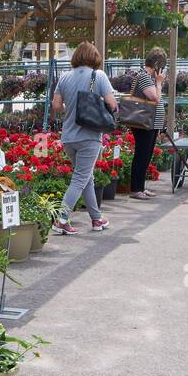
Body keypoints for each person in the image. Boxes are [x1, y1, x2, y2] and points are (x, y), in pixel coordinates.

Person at [49, 41, 118, 235]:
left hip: (69, 136)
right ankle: (61, 219)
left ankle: (96, 219)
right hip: (89, 136)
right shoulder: (99, 76)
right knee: (81, 178)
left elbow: (56, 106)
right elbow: (112, 104)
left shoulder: (64, 77)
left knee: (86, 178)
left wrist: (71, 110)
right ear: (94, 57)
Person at [124, 47, 168, 200]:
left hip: (150, 124)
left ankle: (141, 187)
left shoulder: (147, 77)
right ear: (156, 65)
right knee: (141, 155)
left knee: (146, 155)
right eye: (162, 66)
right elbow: (155, 98)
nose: (162, 70)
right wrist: (159, 82)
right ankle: (135, 189)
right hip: (144, 124)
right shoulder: (144, 77)